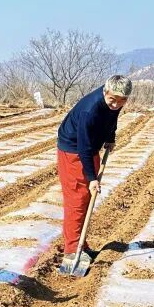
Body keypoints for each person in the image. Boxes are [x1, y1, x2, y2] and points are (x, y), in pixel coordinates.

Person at [56, 75, 131, 271]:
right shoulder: (90, 110)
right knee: (77, 199)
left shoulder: (115, 101)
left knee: (87, 199)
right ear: (105, 92)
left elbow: (112, 116)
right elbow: (83, 148)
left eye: (121, 100)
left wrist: (110, 136)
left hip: (91, 147)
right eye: (112, 99)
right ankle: (72, 250)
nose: (116, 104)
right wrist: (91, 179)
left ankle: (83, 244)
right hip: (73, 150)